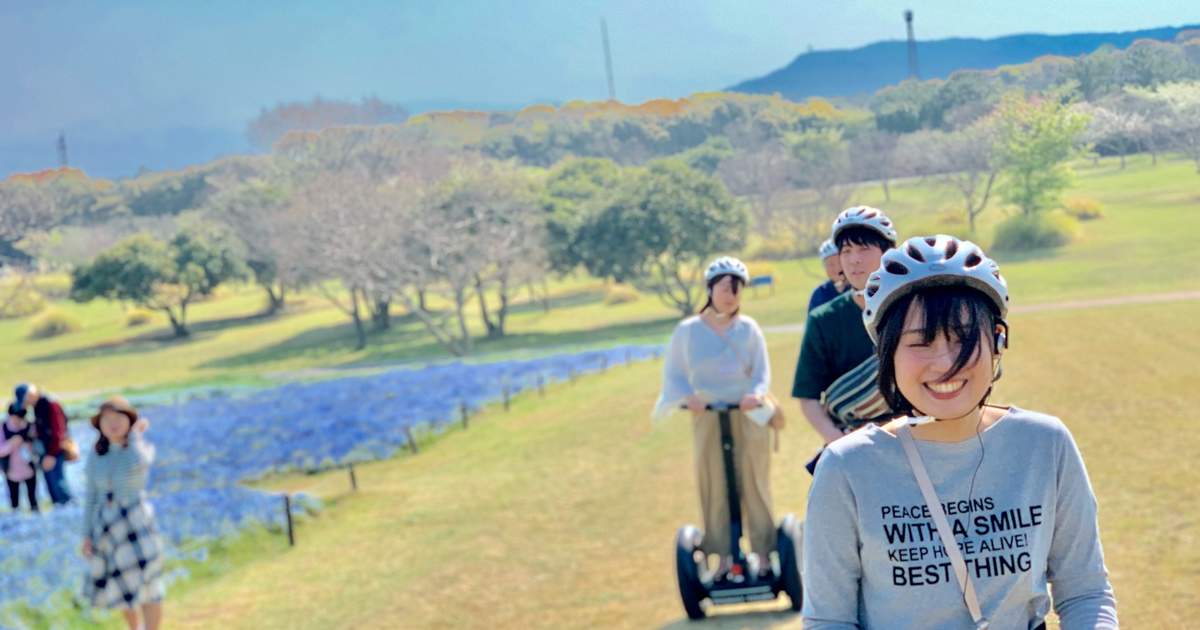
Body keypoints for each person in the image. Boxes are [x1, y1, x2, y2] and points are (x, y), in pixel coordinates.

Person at [802, 235, 1118, 629]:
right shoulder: (846, 468)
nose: (945, 363)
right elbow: (829, 619)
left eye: (963, 337)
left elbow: (1085, 592)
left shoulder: (1045, 444)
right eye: (920, 341)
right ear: (887, 354)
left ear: (998, 341)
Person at [653, 256, 782, 578]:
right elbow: (675, 374)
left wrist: (755, 394)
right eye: (725, 287)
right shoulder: (688, 331)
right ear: (710, 288)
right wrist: (687, 398)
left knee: (755, 481)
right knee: (713, 483)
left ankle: (764, 555)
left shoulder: (748, 329)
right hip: (707, 415)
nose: (730, 294)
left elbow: (761, 371)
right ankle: (722, 557)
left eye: (737, 288)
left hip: (747, 413)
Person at [792, 206, 899, 454]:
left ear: (888, 253)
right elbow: (808, 398)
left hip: (914, 437)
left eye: (864, 249)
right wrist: (840, 442)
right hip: (851, 443)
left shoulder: (911, 309)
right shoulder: (823, 320)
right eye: (846, 251)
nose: (854, 259)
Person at [81, 396, 165, 630]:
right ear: (100, 425)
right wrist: (86, 535)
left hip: (136, 522)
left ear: (129, 420)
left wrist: (136, 435)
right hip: (107, 527)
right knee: (119, 587)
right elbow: (91, 497)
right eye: (107, 420)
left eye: (119, 418)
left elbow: (140, 464)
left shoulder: (139, 448)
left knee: (149, 585)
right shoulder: (96, 455)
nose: (113, 424)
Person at [15, 383, 72, 505]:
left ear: (30, 394)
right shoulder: (37, 406)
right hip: (46, 451)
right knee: (51, 485)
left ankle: (68, 511)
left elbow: (58, 433)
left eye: (26, 400)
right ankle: (60, 514)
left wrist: (51, 455)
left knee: (58, 485)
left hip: (54, 451)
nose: (26, 404)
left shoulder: (51, 404)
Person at [0, 403, 39, 512]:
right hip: (11, 470)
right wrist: (12, 444)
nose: (18, 420)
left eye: (21, 417)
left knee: (33, 497)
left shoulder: (29, 426)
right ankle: (16, 520)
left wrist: (29, 445)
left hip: (29, 467)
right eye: (16, 417)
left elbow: (37, 444)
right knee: (14, 500)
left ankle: (36, 518)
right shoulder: (3, 427)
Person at [807, 238, 848, 313]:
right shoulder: (819, 294)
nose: (837, 268)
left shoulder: (859, 288)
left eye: (840, 262)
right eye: (831, 264)